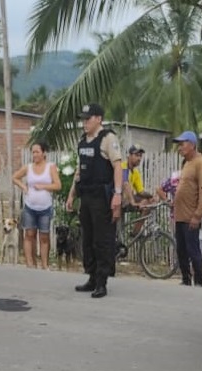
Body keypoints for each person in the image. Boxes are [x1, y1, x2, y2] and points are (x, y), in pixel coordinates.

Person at [64, 102, 123, 299]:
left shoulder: (108, 139)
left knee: (102, 240)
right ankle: (91, 276)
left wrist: (117, 193)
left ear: (99, 119)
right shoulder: (83, 141)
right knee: (87, 238)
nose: (84, 123)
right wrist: (72, 194)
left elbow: (117, 167)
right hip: (86, 195)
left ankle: (101, 281)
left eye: (88, 119)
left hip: (101, 196)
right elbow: (80, 170)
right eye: (83, 119)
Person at [172, 130, 202, 287]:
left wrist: (198, 214)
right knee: (181, 250)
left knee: (193, 250)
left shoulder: (200, 163)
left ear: (192, 145)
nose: (180, 147)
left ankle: (199, 282)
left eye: (182, 144)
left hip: (191, 216)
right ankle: (186, 279)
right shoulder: (186, 163)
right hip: (180, 216)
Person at [13, 141, 61, 269]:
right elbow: (15, 177)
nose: (34, 155)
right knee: (29, 235)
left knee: (44, 236)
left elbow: (58, 185)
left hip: (45, 207)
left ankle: (45, 264)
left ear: (44, 153)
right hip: (30, 206)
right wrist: (23, 186)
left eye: (37, 152)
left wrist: (44, 186)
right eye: (33, 152)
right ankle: (30, 263)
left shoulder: (50, 167)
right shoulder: (28, 167)